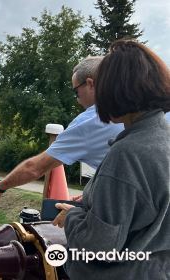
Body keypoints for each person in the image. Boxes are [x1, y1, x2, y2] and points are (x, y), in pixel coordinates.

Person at [53, 40, 170, 279]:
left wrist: (72, 217)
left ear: (118, 91)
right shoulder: (164, 138)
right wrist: (94, 198)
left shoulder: (127, 153)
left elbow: (98, 247)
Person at [0, 56, 124, 206]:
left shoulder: (90, 121)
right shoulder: (132, 109)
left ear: (90, 84)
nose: (77, 100)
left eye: (76, 92)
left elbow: (34, 168)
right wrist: (92, 193)